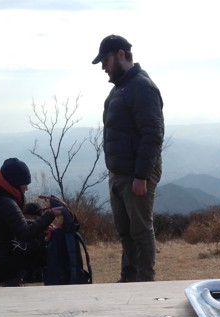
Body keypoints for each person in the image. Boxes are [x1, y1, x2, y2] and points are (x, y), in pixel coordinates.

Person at [92, 34, 164, 282]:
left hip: (136, 174)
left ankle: (144, 283)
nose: (103, 67)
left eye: (106, 60)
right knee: (125, 230)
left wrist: (141, 175)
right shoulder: (122, 88)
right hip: (119, 173)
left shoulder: (142, 87)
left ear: (121, 55)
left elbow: (153, 134)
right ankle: (128, 279)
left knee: (141, 230)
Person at [0, 158, 64, 287]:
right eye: (25, 183)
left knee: (35, 240)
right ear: (15, 183)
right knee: (38, 243)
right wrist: (50, 214)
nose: (27, 188)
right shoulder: (6, 203)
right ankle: (14, 283)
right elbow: (25, 233)